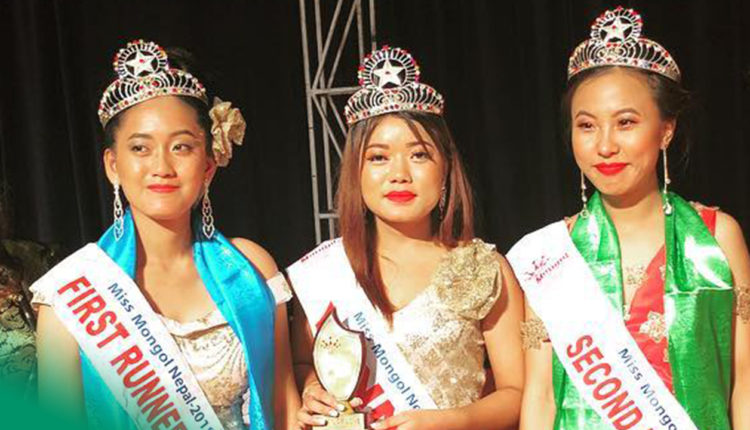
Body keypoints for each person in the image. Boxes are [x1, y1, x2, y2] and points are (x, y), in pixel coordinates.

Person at [31, 39, 299, 430]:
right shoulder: (71, 294)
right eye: (140, 148)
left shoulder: (250, 268)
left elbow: (284, 406)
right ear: (112, 166)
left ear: (208, 165)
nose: (162, 166)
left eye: (181, 147)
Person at [510, 7, 750, 429]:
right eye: (587, 126)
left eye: (625, 122)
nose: (605, 146)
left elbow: (744, 379)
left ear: (666, 130)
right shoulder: (550, 255)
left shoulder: (715, 237)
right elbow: (541, 396)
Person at [288, 46, 524, 430]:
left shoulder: (481, 267)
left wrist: (450, 422)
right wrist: (312, 386)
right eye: (378, 158)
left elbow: (517, 394)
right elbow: (302, 361)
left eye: (419, 155)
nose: (399, 174)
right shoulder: (323, 272)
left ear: (445, 169)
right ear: (356, 173)